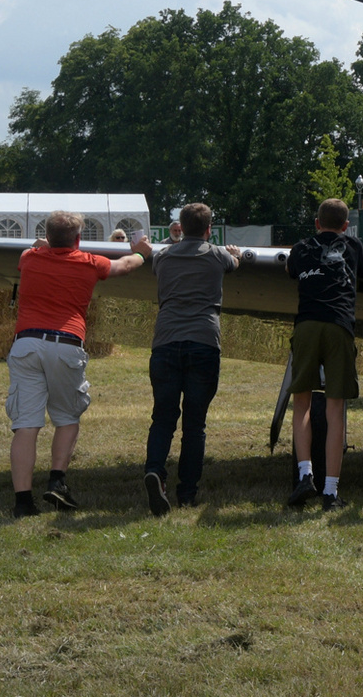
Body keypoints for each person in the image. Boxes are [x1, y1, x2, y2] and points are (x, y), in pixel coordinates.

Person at [7, 210, 146, 516]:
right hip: (65, 343)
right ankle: (57, 481)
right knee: (67, 416)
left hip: (26, 343)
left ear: (48, 235)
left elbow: (36, 247)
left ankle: (22, 502)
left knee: (26, 425)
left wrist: (45, 244)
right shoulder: (88, 261)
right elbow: (124, 266)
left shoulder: (29, 258)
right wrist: (141, 254)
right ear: (79, 239)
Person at [134, 203, 240, 517]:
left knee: (163, 417)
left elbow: (151, 258)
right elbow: (234, 262)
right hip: (204, 342)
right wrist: (234, 252)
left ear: (180, 226)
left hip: (165, 342)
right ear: (209, 230)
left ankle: (155, 471)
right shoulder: (217, 255)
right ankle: (188, 493)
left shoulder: (163, 256)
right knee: (195, 424)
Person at [284, 197, 363, 511]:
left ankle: (305, 474)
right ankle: (331, 492)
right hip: (339, 325)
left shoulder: (301, 247)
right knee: (336, 409)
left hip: (306, 325)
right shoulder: (354, 246)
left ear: (316, 223)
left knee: (302, 403)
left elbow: (291, 270)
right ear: (346, 227)